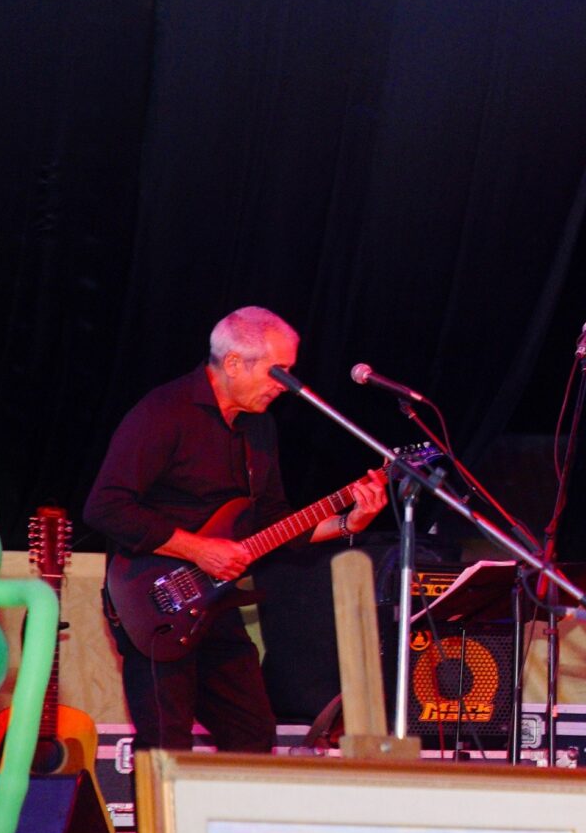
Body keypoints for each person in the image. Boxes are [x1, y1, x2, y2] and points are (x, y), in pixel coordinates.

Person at [86, 307, 388, 752]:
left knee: (253, 736)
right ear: (232, 363)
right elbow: (105, 507)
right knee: (166, 748)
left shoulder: (258, 427)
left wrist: (348, 522)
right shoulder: (164, 412)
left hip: (216, 605)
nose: (285, 385)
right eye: (277, 372)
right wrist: (197, 550)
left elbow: (273, 522)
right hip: (154, 602)